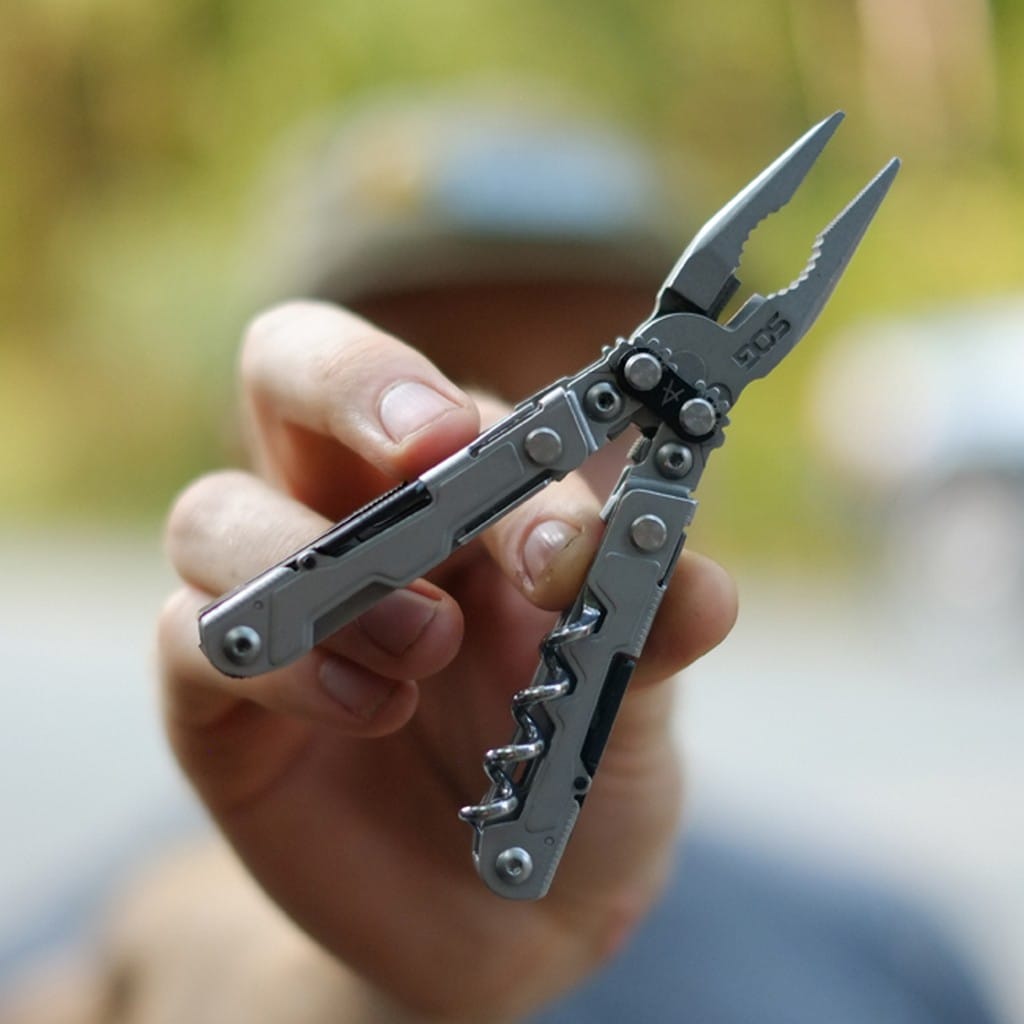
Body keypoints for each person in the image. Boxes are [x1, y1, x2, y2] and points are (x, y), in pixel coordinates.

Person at [3, 90, 1000, 1024]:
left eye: (595, 365)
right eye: (445, 376)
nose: (530, 461)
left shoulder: (891, 965)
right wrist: (337, 986)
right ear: (263, 442)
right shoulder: (107, 944)